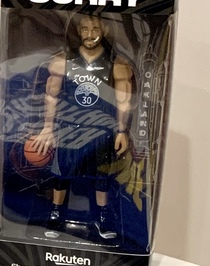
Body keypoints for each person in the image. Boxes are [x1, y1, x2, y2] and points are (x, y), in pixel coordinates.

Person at [25, 12, 133, 241]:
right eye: (85, 29)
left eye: (95, 30)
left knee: (102, 176)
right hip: (68, 128)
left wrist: (122, 131)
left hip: (101, 129)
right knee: (61, 174)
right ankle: (56, 213)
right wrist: (48, 128)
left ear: (104, 31)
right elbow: (51, 96)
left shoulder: (115, 63)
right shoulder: (64, 60)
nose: (90, 34)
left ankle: (102, 216)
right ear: (78, 31)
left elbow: (123, 100)